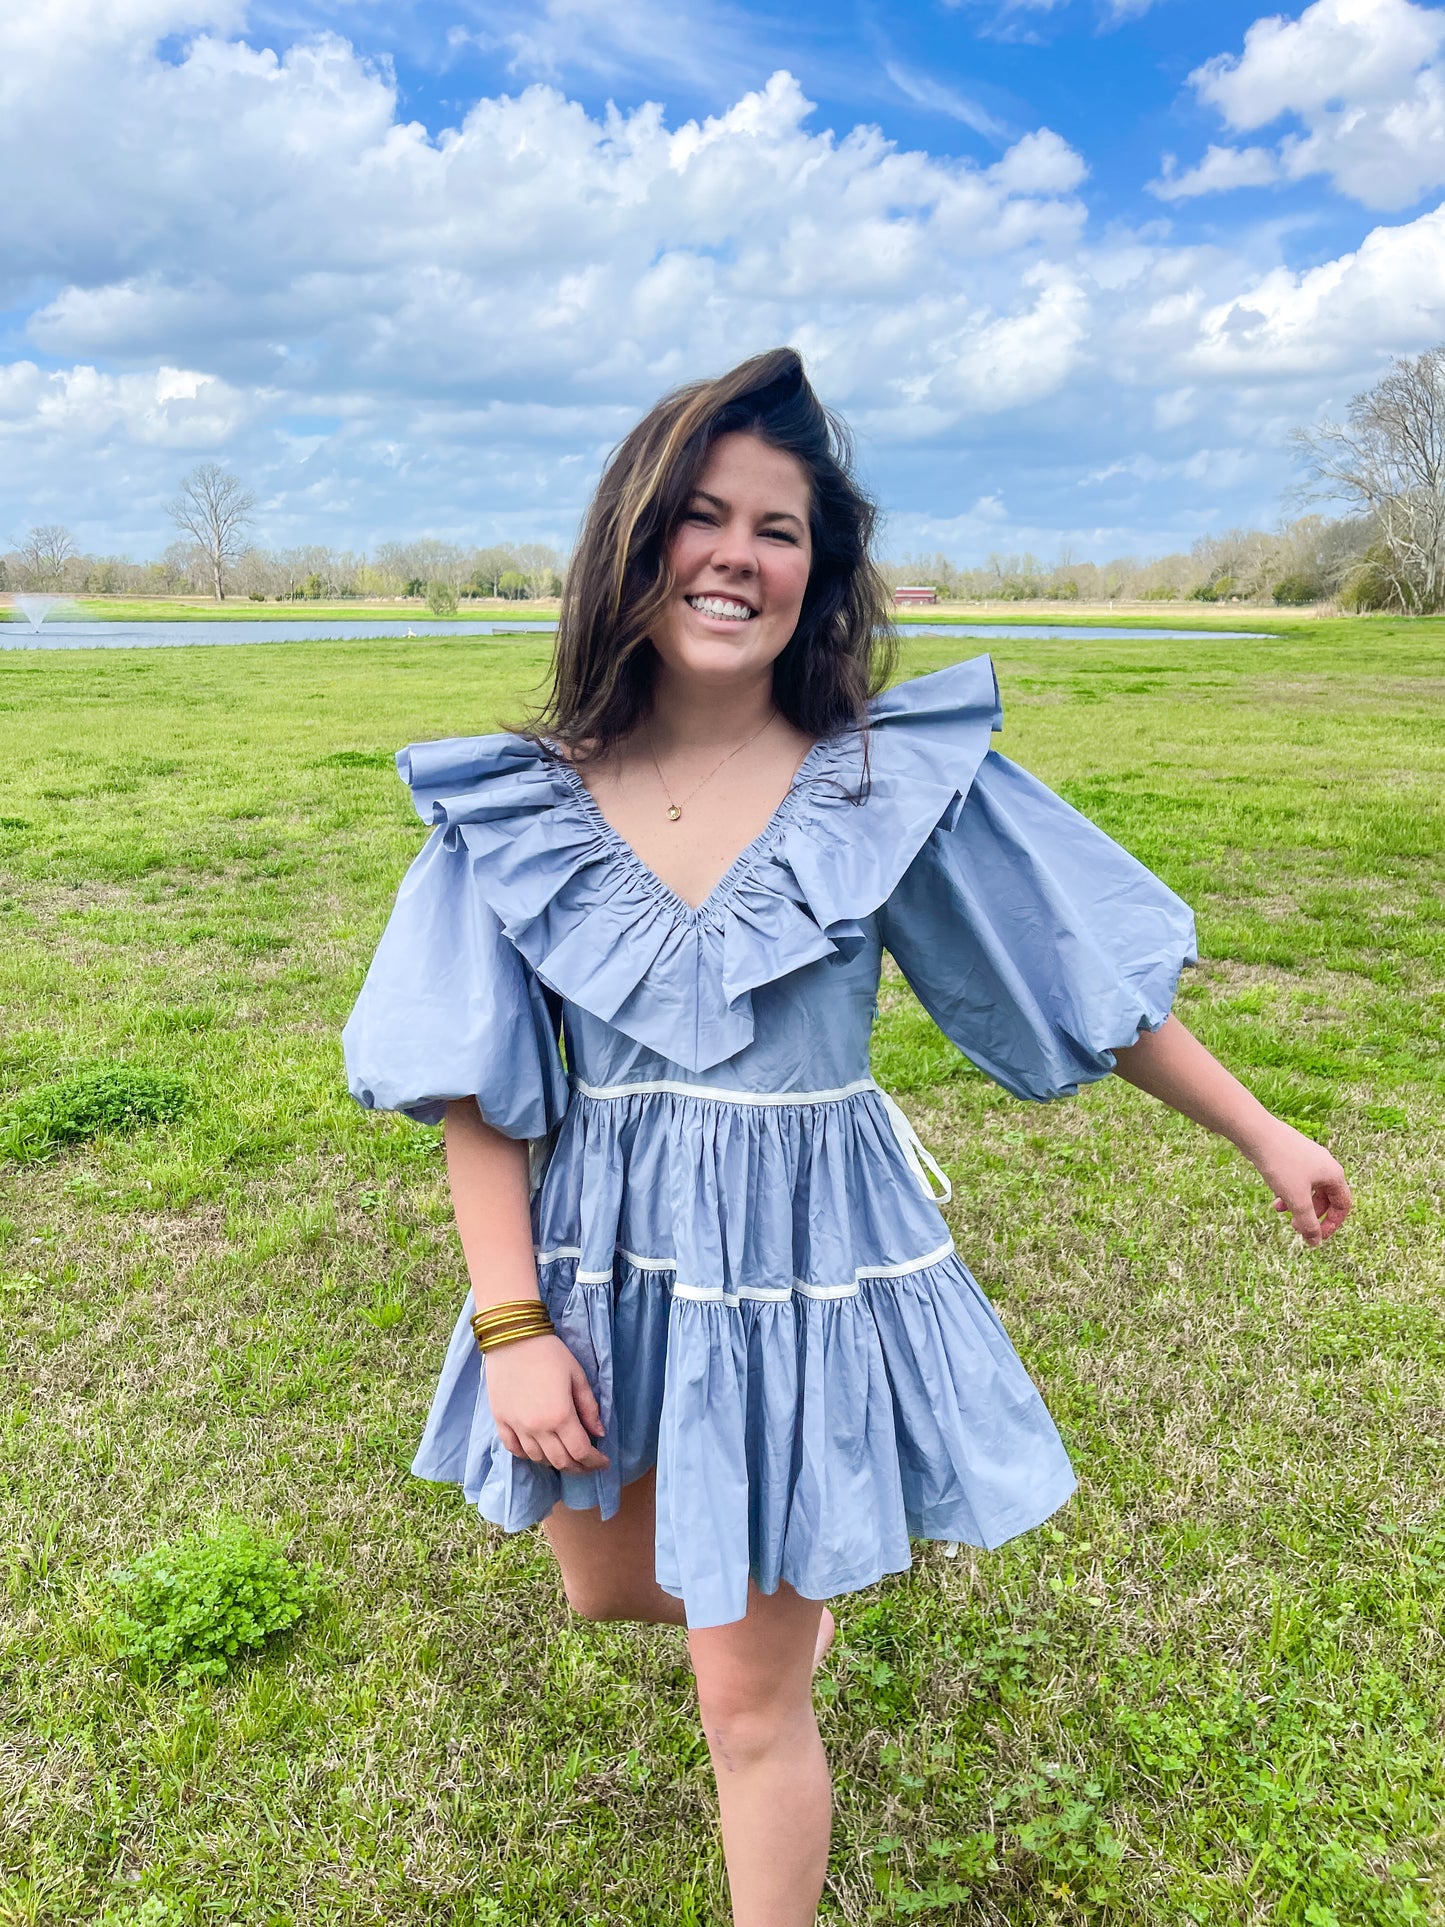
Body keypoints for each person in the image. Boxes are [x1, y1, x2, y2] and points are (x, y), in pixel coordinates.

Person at [342, 347, 1352, 1927]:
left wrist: (1259, 1127)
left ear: (818, 574)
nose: (737, 555)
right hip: (599, 1251)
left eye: (780, 528)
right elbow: (477, 1095)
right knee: (614, 1580)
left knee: (740, 1699)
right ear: (632, 540)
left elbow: (1066, 975)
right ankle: (787, 1590)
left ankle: (779, 1659)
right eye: (700, 515)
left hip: (802, 1256)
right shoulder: (523, 802)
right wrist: (513, 1324)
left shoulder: (877, 781)